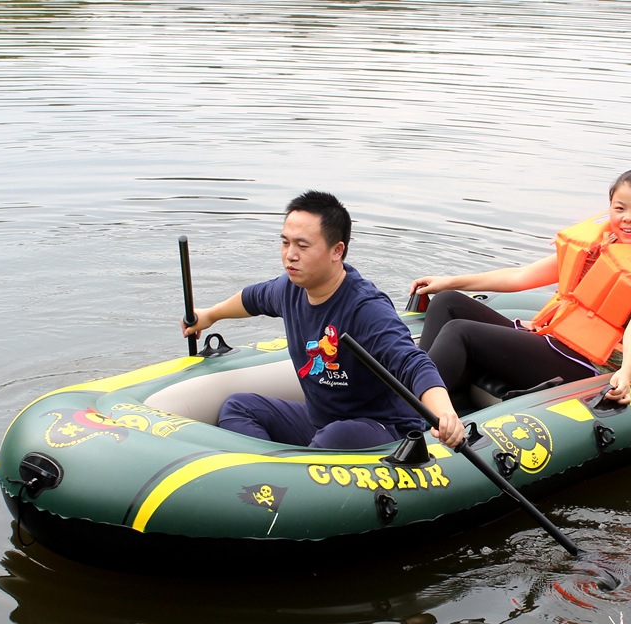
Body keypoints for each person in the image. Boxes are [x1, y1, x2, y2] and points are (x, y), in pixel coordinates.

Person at [182, 190, 465, 450]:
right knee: (237, 407)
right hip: (321, 422)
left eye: (302, 246)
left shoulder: (365, 307)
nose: (290, 255)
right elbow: (251, 299)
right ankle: (269, 477)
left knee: (335, 437)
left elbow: (412, 362)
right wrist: (209, 316)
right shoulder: (289, 289)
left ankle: (297, 482)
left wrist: (445, 414)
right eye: (285, 242)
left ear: (337, 251)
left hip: (383, 429)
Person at [410, 170, 631, 405]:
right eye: (619, 208)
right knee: (447, 301)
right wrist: (449, 281)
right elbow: (520, 277)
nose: (628, 218)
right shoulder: (597, 248)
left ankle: (408, 406)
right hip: (551, 336)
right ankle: (421, 382)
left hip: (583, 362)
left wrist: (626, 373)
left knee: (461, 331)